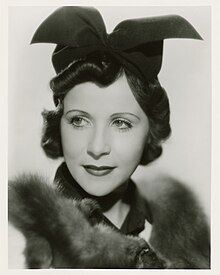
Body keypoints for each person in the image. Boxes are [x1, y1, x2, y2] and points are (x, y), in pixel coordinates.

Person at [8, 6, 210, 269]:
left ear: (151, 131)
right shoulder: (17, 241)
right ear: (59, 126)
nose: (97, 147)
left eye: (121, 123)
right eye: (79, 120)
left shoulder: (190, 233)